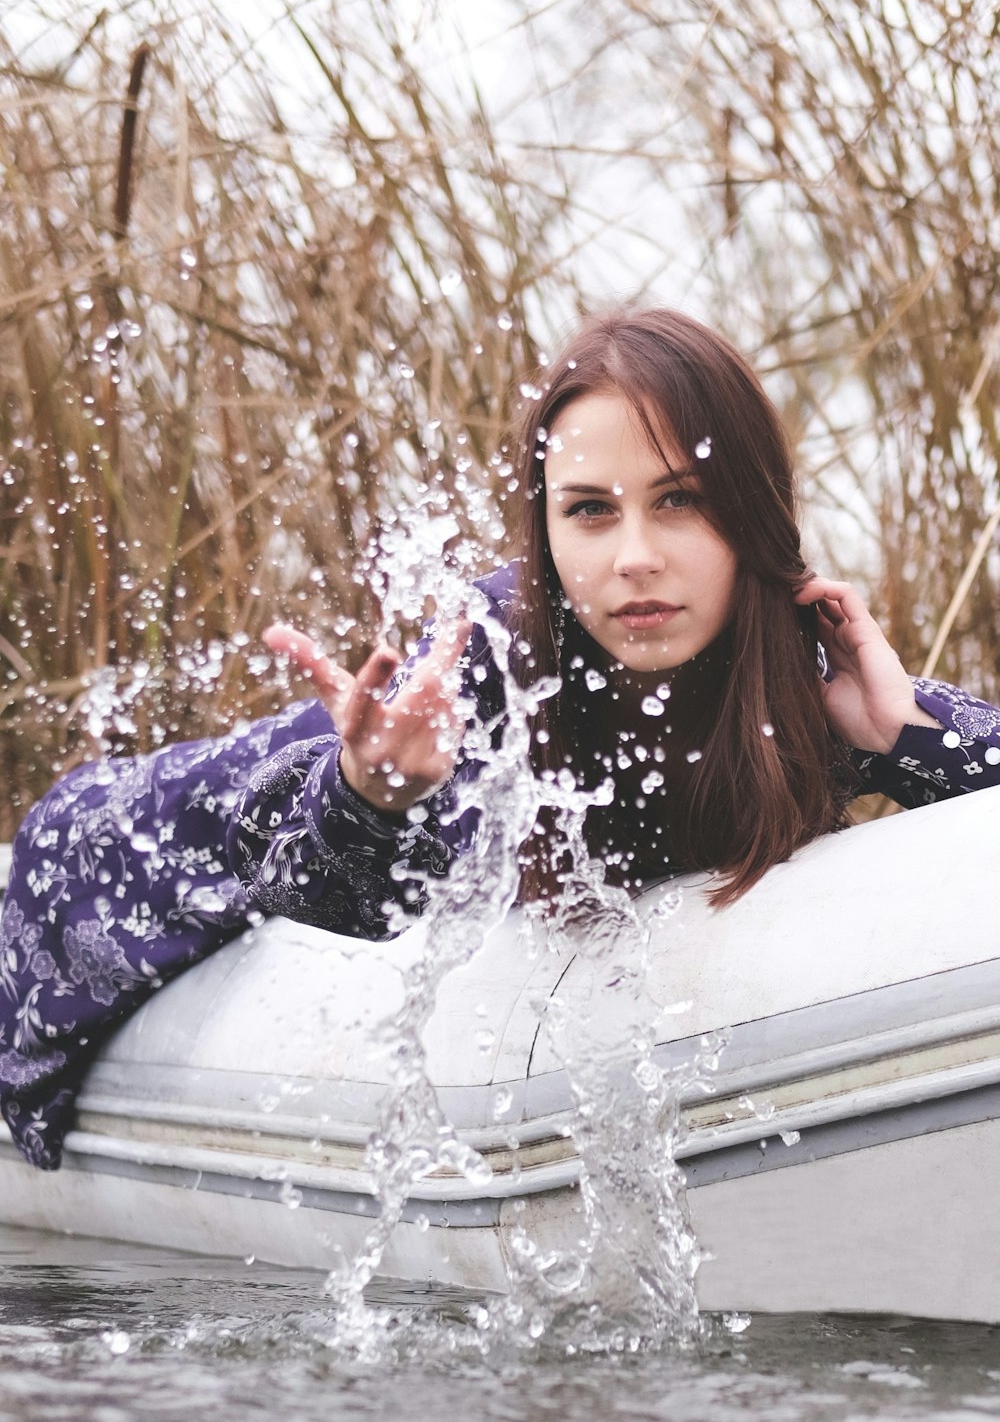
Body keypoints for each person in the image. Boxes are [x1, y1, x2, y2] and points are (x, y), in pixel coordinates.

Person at [2, 307, 999, 1171]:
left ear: (751, 513)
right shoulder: (489, 674)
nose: (636, 558)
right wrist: (377, 794)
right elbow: (335, 912)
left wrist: (901, 733)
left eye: (680, 501)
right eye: (590, 512)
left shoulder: (801, 667)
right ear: (545, 530)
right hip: (114, 863)